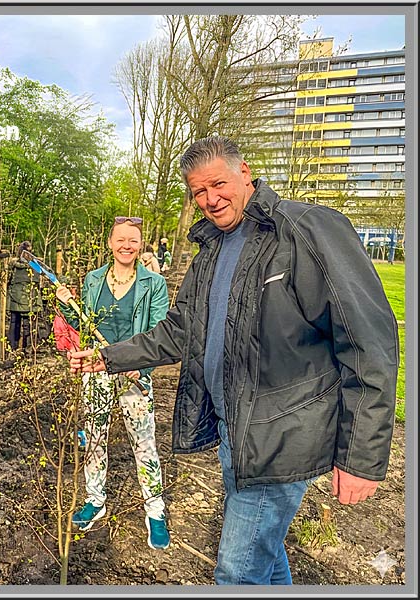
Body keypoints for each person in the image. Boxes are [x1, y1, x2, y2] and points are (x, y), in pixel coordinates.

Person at [67, 136, 399, 585]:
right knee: (265, 556)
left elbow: (367, 341)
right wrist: (108, 357)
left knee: (236, 574)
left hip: (281, 435)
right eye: (198, 192)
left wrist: (361, 457)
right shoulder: (212, 251)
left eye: (218, 183)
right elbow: (180, 330)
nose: (210, 199)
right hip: (236, 433)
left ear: (245, 172)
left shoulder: (304, 230)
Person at [55, 216, 172, 550]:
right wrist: (68, 305)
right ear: (110, 243)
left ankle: (155, 510)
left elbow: (160, 331)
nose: (126, 246)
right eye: (120, 239)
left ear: (140, 245)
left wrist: (143, 367)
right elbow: (85, 323)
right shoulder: (93, 281)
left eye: (132, 240)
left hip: (134, 374)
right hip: (97, 370)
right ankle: (95, 500)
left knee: (144, 443)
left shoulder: (153, 284)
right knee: (94, 438)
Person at [6, 241, 43, 351]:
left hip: (14, 298)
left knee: (14, 322)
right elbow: (38, 282)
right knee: (28, 324)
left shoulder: (12, 265)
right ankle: (28, 348)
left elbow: (7, 280)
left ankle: (12, 346)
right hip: (30, 298)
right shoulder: (36, 266)